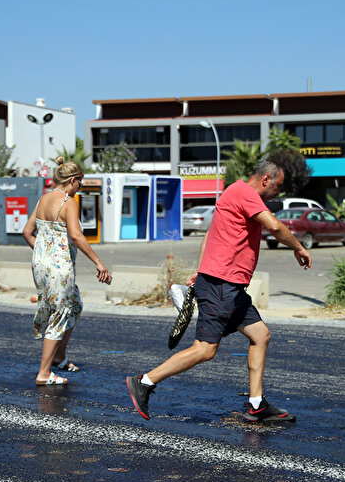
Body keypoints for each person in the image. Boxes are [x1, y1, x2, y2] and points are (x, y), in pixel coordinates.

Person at [125, 153, 310, 423]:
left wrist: (200, 270)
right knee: (205, 349)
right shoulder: (246, 193)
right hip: (221, 284)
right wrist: (299, 247)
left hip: (227, 286)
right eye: (277, 187)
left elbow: (210, 236)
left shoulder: (232, 193)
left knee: (260, 335)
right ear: (266, 179)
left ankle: (257, 404)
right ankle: (144, 382)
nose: (276, 192)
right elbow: (274, 226)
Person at [22, 158, 112, 386]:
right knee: (60, 314)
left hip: (41, 265)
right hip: (59, 268)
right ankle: (44, 373)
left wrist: (44, 254)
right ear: (73, 181)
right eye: (80, 184)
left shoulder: (43, 199)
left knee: (74, 306)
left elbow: (27, 232)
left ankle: (59, 356)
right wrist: (98, 262)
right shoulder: (68, 202)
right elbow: (76, 235)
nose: (79, 188)